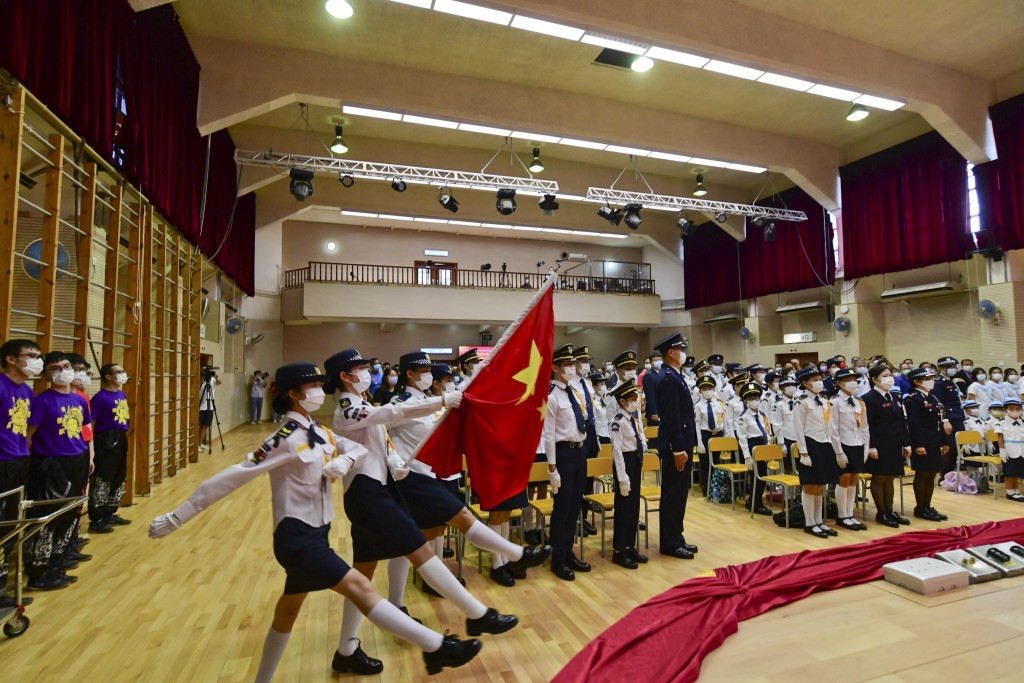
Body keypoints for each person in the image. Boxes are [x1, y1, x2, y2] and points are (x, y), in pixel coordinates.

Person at [148, 362, 482, 680]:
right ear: (294, 392)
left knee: (287, 611)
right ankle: (434, 646)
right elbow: (236, 475)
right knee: (361, 588)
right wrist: (179, 516)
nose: (320, 390)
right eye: (313, 385)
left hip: (317, 535)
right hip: (297, 538)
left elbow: (356, 447)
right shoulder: (285, 437)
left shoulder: (318, 431)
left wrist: (346, 460)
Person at [325, 348, 516, 675]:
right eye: (360, 368)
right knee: (419, 548)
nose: (367, 372)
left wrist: (397, 463)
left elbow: (382, 443)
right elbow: (389, 416)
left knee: (362, 576)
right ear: (345, 375)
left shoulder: (362, 403)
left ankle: (346, 649)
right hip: (368, 495)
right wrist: (441, 401)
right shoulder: (347, 406)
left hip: (379, 488)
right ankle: (476, 613)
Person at [387, 352, 549, 591]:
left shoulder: (434, 401)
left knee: (440, 528)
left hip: (441, 474)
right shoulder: (399, 404)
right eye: (423, 372)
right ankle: (430, 578)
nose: (428, 376)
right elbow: (382, 433)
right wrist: (392, 460)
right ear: (409, 374)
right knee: (428, 530)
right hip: (416, 477)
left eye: (429, 371)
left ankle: (438, 575)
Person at [25, 352, 93, 590]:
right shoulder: (43, 401)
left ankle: (56, 563)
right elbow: (29, 436)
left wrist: (87, 457)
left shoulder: (79, 401)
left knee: (67, 515)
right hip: (51, 465)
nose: (63, 371)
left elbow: (83, 430)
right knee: (47, 518)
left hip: (76, 461)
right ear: (46, 375)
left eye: (66, 366)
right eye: (56, 368)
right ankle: (37, 571)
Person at [543, 344, 591, 581]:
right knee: (562, 508)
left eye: (573, 364)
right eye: (567, 365)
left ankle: (568, 550)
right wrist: (552, 468)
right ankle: (558, 558)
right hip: (564, 455)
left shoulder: (576, 391)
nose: (572, 368)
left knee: (575, 506)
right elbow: (549, 435)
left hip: (580, 453)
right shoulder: (552, 397)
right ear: (554, 368)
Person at [0, 339, 42, 607]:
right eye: (31, 355)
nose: (36, 360)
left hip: (18, 461)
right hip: (1, 463)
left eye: (39, 356)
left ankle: (3, 589)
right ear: (11, 359)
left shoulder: (26, 391)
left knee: (9, 526)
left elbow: (25, 430)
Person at [653, 332, 698, 559]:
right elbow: (672, 417)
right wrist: (678, 449)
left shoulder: (674, 375)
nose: (684, 353)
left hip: (681, 442)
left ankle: (676, 537)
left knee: (679, 494)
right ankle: (669, 542)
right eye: (681, 349)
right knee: (673, 495)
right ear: (672, 352)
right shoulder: (669, 378)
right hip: (675, 445)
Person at [862, 364, 912, 528]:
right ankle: (881, 512)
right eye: (885, 375)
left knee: (890, 478)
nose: (889, 377)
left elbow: (901, 422)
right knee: (880, 477)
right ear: (875, 379)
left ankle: (890, 510)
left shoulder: (895, 396)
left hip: (895, 443)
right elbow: (868, 424)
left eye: (890, 374)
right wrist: (871, 447)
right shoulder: (868, 398)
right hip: (879, 444)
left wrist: (906, 443)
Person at [794, 366, 840, 539]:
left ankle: (819, 521)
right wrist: (803, 453)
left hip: (825, 443)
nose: (819, 382)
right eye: (814, 380)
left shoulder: (824, 400)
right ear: (805, 383)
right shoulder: (801, 401)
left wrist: (836, 449)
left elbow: (830, 425)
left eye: (820, 379)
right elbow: (798, 428)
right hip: (810, 444)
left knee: (820, 485)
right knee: (810, 484)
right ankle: (809, 523)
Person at [607, 379, 647, 570]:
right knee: (623, 508)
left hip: (634, 462)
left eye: (636, 398)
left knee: (633, 507)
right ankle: (619, 550)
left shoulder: (633, 418)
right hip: (624, 464)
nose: (635, 401)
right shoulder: (618, 422)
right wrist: (622, 478)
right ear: (622, 401)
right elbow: (617, 451)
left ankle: (629, 545)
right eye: (631, 398)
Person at [88, 363, 132, 533]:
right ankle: (97, 517)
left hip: (120, 437)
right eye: (119, 372)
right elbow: (92, 423)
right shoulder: (100, 397)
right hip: (105, 439)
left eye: (123, 371)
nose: (123, 374)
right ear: (108, 377)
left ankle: (109, 512)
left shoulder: (121, 394)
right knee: (103, 478)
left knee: (118, 476)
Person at [903, 368, 950, 522]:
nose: (932, 381)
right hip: (923, 441)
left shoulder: (933, 397)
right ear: (917, 381)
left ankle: (927, 506)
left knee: (932, 474)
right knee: (923, 474)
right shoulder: (912, 398)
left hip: (935, 440)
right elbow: (914, 424)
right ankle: (920, 507)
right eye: (928, 378)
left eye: (932, 378)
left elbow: (940, 420)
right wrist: (918, 444)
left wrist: (944, 441)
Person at [829, 368, 869, 531]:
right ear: (839, 382)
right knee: (843, 479)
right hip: (844, 444)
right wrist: (839, 451)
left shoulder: (859, 402)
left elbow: (864, 426)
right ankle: (842, 515)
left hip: (858, 443)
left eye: (855, 379)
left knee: (853, 478)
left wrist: (866, 447)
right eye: (849, 380)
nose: (853, 383)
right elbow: (833, 429)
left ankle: (850, 514)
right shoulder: (834, 402)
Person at [735, 382, 773, 516]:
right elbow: (742, 439)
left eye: (756, 398)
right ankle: (757, 504)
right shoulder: (743, 417)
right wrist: (747, 457)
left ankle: (752, 500)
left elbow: (766, 432)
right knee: (757, 477)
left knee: (762, 476)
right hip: (752, 447)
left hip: (763, 447)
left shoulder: (762, 415)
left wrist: (768, 448)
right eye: (751, 398)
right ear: (745, 401)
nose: (754, 401)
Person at [693, 374, 729, 497]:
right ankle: (706, 488)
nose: (708, 391)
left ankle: (717, 487)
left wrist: (726, 436)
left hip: (718, 435)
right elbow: (697, 425)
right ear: (700, 391)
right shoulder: (698, 406)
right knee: (705, 464)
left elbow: (723, 421)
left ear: (714, 389)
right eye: (704, 389)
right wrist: (699, 443)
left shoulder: (719, 404)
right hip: (705, 435)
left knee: (716, 461)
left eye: (710, 388)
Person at [995, 398, 1024, 502]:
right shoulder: (1001, 422)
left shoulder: (1022, 421)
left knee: (1017, 472)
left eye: (1018, 408)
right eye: (1012, 409)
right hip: (1008, 449)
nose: (1015, 411)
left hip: (1021, 450)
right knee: (1009, 472)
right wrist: (1002, 450)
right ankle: (1010, 492)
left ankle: (1016, 491)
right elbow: (999, 437)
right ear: (1006, 409)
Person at [197, 370, 222, 452]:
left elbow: (220, 382)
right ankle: (195, 445)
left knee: (206, 425)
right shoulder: (201, 381)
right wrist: (202, 379)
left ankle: (200, 444)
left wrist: (215, 376)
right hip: (201, 407)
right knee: (198, 425)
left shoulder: (212, 380)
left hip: (210, 406)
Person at [642, 352, 662, 425]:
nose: (658, 362)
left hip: (663, 410)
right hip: (655, 413)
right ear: (650, 362)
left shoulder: (662, 373)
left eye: (659, 360)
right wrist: (654, 413)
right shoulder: (649, 376)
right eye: (655, 360)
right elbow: (650, 396)